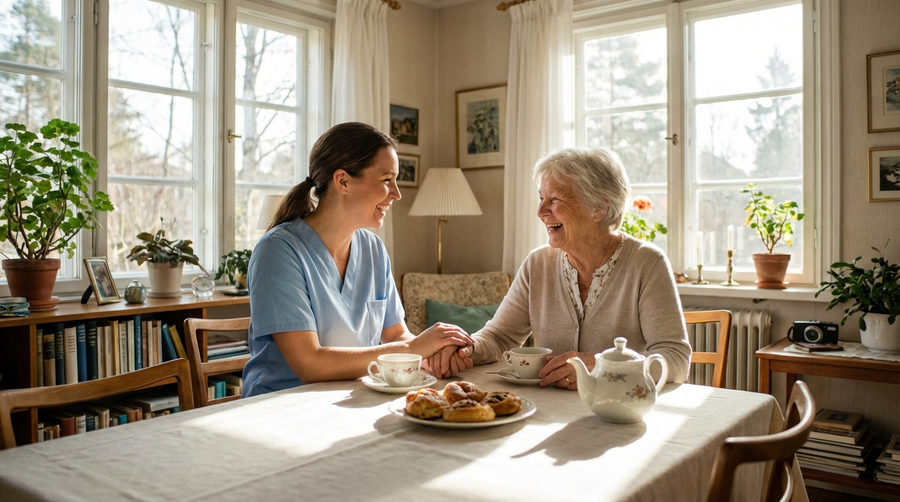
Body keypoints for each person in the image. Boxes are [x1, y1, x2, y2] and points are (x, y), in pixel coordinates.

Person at [428, 147, 691, 389]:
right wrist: (466, 349)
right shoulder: (538, 264)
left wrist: (602, 367)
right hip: (547, 413)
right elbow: (499, 338)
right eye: (541, 198)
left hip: (621, 416)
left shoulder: (647, 263)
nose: (541, 211)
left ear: (598, 207)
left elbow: (675, 359)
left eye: (554, 199)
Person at [242, 122, 472, 397]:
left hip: (352, 399)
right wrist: (413, 349)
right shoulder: (278, 252)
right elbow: (309, 364)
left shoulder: (373, 249)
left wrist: (435, 353)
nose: (397, 194)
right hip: (279, 407)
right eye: (387, 180)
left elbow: (396, 335)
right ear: (343, 181)